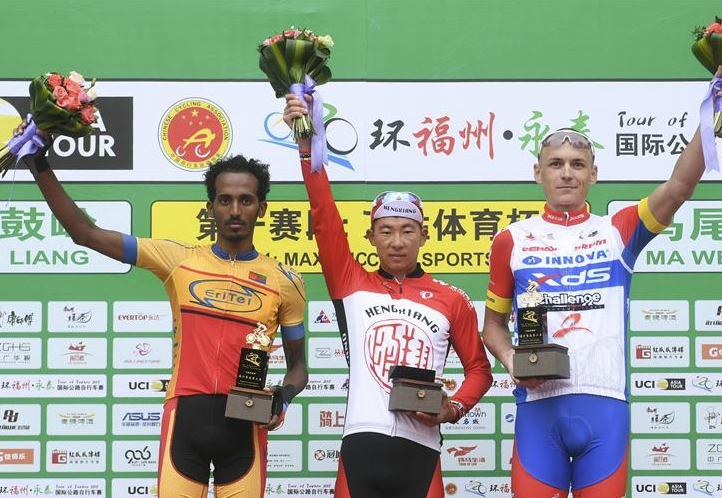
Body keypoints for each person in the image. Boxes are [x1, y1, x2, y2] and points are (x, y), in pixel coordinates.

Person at [482, 67, 722, 498]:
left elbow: (679, 186)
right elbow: (492, 326)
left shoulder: (617, 230)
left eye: (577, 165)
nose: (566, 173)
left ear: (594, 174)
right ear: (537, 173)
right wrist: (511, 360)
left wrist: (715, 112)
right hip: (538, 410)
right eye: (555, 164)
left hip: (605, 410)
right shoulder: (511, 239)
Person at [14, 120, 308, 498]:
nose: (235, 210)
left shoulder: (285, 281)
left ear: (262, 208)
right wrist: (38, 162)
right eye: (225, 200)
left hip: (246, 428)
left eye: (246, 200)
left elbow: (299, 367)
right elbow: (85, 234)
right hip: (185, 422)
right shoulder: (178, 260)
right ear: (210, 208)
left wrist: (284, 395)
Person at [283, 95, 492, 498]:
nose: (397, 242)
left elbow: (480, 370)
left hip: (422, 454)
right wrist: (307, 145)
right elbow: (324, 215)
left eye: (407, 230)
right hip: (362, 449)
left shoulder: (452, 299)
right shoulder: (350, 282)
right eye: (386, 231)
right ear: (371, 236)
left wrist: (453, 409)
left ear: (424, 236)